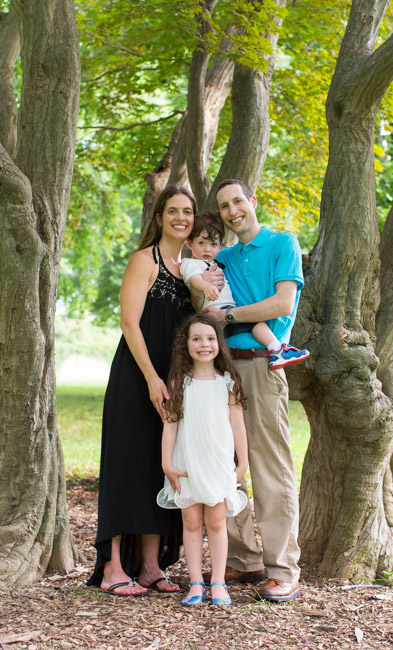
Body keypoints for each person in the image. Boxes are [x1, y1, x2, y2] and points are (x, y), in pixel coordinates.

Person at [87, 185, 196, 596]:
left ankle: (151, 566)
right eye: (173, 211)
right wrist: (152, 377)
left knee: (159, 464)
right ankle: (113, 567)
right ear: (159, 217)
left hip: (174, 383)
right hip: (138, 378)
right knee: (125, 465)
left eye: (187, 211)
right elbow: (130, 323)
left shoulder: (189, 269)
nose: (181, 218)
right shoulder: (143, 260)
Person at [204, 179, 304, 603]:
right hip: (223, 370)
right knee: (223, 465)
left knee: (269, 467)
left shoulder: (284, 244)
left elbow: (281, 304)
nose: (231, 211)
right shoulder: (224, 257)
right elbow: (201, 295)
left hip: (263, 368)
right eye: (224, 206)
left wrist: (229, 315)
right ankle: (244, 559)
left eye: (237, 201)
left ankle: (283, 569)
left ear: (253, 201)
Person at [157, 313, 248, 607]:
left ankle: (218, 582)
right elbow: (170, 424)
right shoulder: (179, 382)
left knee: (217, 521)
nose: (204, 344)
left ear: (219, 343)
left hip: (217, 462)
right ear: (186, 345)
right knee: (192, 520)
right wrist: (166, 464)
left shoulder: (228, 382)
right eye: (197, 338)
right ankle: (196, 582)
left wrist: (242, 463)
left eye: (210, 338)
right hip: (186, 462)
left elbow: (238, 426)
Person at [181, 211, 309, 370]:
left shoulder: (218, 260)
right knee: (254, 322)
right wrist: (205, 286)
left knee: (253, 322)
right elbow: (194, 280)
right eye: (201, 243)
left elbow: (284, 304)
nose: (207, 249)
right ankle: (277, 350)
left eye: (213, 244)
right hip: (215, 313)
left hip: (226, 314)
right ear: (189, 243)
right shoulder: (190, 263)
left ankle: (277, 349)